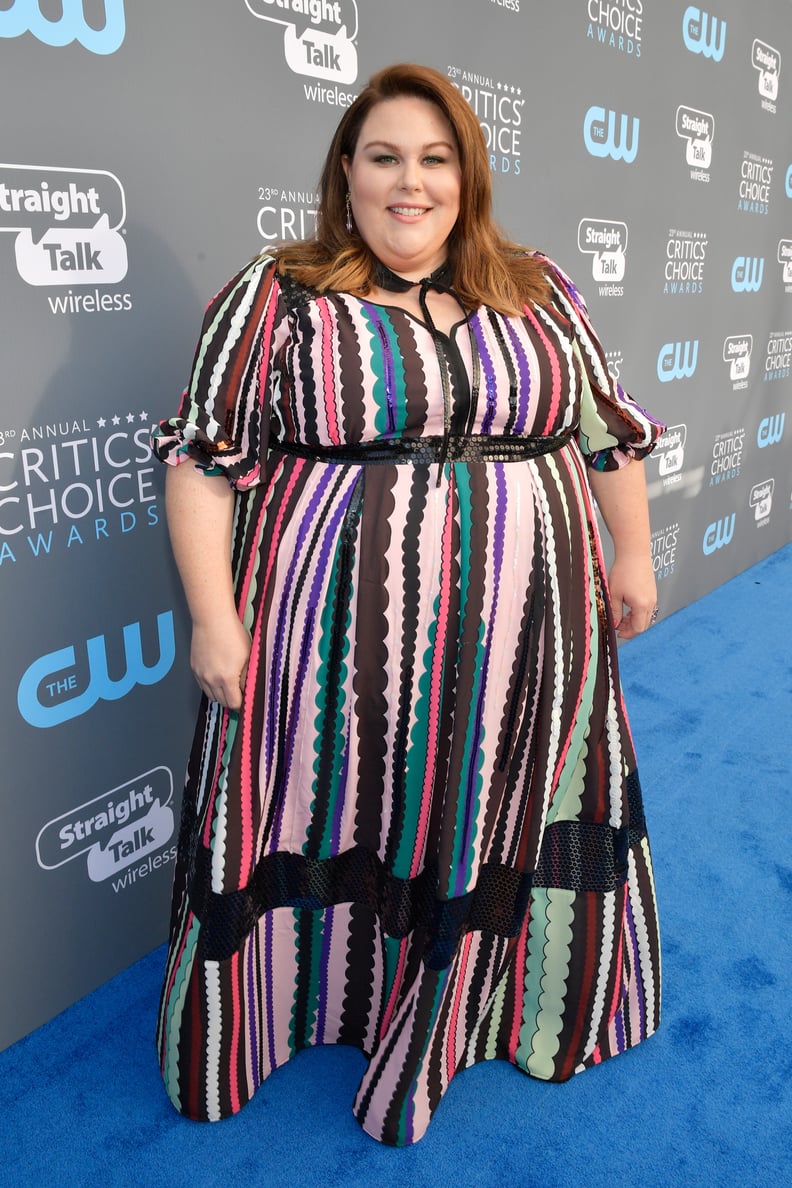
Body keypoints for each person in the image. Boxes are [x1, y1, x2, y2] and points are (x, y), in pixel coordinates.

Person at [153, 63, 663, 1147]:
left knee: (499, 802)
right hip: (332, 634)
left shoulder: (538, 287)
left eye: (434, 159)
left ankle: (490, 1011)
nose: (409, 183)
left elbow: (605, 432)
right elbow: (202, 462)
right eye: (383, 156)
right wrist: (213, 614)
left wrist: (633, 554)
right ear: (347, 169)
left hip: (532, 628)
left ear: (466, 176)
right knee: (333, 804)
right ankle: (315, 1009)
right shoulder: (277, 293)